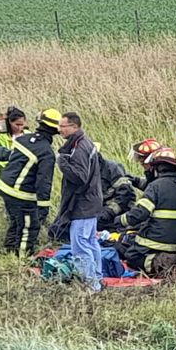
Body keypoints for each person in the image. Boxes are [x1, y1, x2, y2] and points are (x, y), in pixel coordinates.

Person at [114, 147, 176, 273]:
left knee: (131, 256)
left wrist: (120, 220)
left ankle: (162, 263)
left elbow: (140, 214)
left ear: (157, 169)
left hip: (155, 242)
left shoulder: (155, 187)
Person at [0, 109, 59, 257]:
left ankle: (9, 251)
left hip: (5, 188)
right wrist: (43, 207)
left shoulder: (23, 139)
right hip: (21, 195)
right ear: (55, 130)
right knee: (30, 228)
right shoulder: (46, 152)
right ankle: (22, 260)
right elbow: (44, 182)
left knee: (16, 223)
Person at [54, 112, 103, 292]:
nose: (59, 130)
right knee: (91, 242)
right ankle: (97, 280)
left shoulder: (80, 147)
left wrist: (62, 163)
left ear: (74, 127)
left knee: (80, 245)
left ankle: (90, 285)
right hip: (91, 202)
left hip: (83, 205)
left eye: (62, 126)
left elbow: (80, 177)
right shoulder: (84, 143)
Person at [96, 147, 136, 231]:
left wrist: (107, 212)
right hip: (97, 214)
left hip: (117, 215)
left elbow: (125, 194)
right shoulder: (84, 172)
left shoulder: (112, 169)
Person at [0, 106, 27, 172]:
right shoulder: (1, 137)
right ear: (10, 122)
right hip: (4, 175)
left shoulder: (29, 135)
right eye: (17, 125)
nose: (19, 128)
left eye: (22, 125)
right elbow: (1, 162)